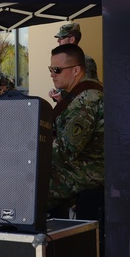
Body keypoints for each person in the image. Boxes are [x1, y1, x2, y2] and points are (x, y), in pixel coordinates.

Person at [47, 43, 104, 211]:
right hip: (81, 168)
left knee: (28, 188)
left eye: (57, 70)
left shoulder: (85, 100)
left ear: (76, 70)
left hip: (87, 174)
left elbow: (65, 150)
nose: (52, 75)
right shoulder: (83, 92)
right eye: (50, 69)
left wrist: (30, 151)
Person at [48, 22, 99, 102]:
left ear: (72, 39)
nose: (58, 41)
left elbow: (89, 88)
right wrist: (56, 93)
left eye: (61, 38)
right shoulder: (59, 59)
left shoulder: (87, 61)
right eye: (52, 69)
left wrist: (63, 94)